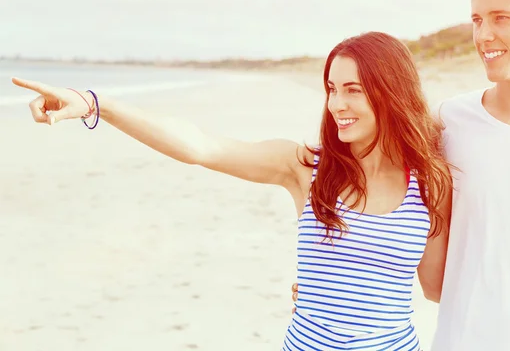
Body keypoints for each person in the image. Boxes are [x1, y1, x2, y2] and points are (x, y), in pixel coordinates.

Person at [13, 31, 453, 350]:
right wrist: (97, 104)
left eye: (353, 90)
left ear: (390, 93)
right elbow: (201, 147)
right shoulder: (306, 167)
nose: (337, 103)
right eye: (332, 89)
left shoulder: (430, 184)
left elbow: (435, 288)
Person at [295, 0, 510, 349]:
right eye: (477, 19)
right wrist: (328, 282)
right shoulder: (448, 123)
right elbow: (363, 171)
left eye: (501, 17)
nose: (483, 34)